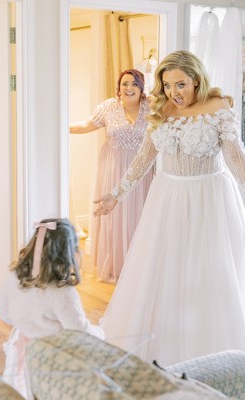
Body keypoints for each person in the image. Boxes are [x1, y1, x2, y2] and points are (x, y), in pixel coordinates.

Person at [93, 50, 245, 400]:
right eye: (168, 84)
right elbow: (144, 158)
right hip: (168, 201)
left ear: (196, 80)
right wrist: (116, 194)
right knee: (166, 276)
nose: (174, 91)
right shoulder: (161, 111)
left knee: (210, 276)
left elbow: (236, 157)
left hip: (209, 202)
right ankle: (165, 361)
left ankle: (218, 362)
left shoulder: (218, 107)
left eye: (181, 84)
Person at [0, 218, 104, 399]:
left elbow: (2, 311)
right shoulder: (62, 291)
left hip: (22, 351)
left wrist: (27, 324)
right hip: (53, 360)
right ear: (68, 252)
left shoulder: (16, 277)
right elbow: (79, 331)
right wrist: (100, 333)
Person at [70, 69, 154, 283]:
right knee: (116, 216)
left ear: (142, 88)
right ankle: (117, 266)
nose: (129, 88)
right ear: (119, 88)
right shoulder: (109, 107)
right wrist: (62, 127)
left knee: (141, 214)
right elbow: (88, 125)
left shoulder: (152, 107)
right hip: (113, 167)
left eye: (134, 84)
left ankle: (140, 267)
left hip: (142, 168)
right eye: (125, 84)